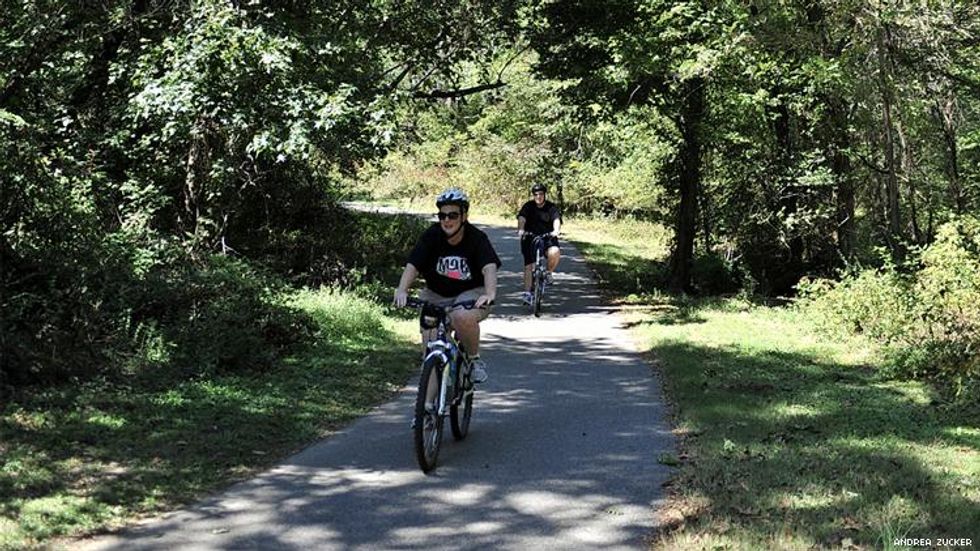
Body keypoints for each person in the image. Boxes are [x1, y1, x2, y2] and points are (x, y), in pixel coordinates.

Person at [394, 188, 500, 383]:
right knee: (430, 350)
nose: (447, 220)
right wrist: (402, 290)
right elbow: (413, 265)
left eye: (453, 215)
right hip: (436, 293)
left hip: (470, 293)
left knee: (461, 317)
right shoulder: (432, 236)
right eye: (442, 216)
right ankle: (428, 401)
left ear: (464, 216)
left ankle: (474, 361)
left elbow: (489, 267)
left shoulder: (477, 238)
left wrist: (490, 293)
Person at [517, 183, 561, 305]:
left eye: (541, 194)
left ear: (544, 195)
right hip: (530, 237)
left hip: (547, 237)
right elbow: (522, 218)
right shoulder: (528, 206)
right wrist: (521, 229)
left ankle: (548, 273)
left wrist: (556, 230)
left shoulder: (551, 207)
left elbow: (556, 219)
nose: (538, 196)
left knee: (555, 251)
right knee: (529, 266)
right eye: (536, 194)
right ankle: (527, 293)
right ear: (533, 195)